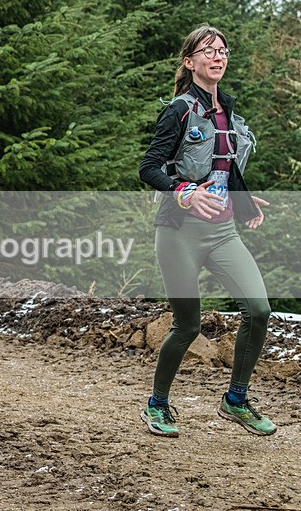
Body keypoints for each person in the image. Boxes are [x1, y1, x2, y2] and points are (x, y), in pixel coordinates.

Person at [139, 25, 276, 438]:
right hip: (180, 232)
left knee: (259, 310)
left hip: (222, 232)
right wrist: (184, 192)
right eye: (208, 51)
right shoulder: (179, 110)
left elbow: (226, 165)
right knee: (188, 326)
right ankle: (157, 405)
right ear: (189, 61)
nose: (218, 57)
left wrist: (245, 200)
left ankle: (235, 400)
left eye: (223, 51)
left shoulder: (229, 113)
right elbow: (149, 168)